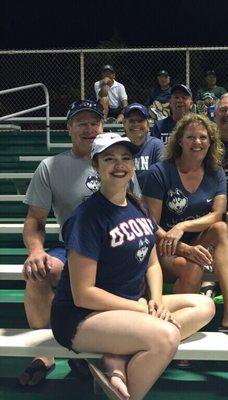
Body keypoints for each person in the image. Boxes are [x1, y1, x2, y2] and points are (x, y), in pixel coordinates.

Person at [50, 133, 215, 400]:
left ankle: (116, 356)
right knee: (166, 337)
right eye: (110, 159)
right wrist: (140, 308)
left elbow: (151, 263)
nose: (120, 165)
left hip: (130, 306)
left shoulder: (138, 206)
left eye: (126, 158)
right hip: (81, 316)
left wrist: (158, 301)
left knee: (205, 305)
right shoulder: (86, 217)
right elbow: (84, 294)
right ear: (96, 165)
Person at [142, 114, 228, 341]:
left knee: (222, 228)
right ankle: (178, 328)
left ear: (211, 142)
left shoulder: (215, 172)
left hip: (197, 243)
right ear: (179, 140)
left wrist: (183, 225)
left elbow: (217, 214)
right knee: (192, 266)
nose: (197, 142)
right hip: (166, 247)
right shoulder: (160, 172)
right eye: (190, 137)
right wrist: (183, 248)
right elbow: (150, 225)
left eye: (202, 137)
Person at [19, 100, 106, 386]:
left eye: (94, 122)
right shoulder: (51, 166)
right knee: (38, 271)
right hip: (70, 247)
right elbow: (35, 219)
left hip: (111, 250)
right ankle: (45, 353)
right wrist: (35, 251)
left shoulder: (116, 161)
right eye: (81, 123)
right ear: (69, 128)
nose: (89, 129)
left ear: (102, 127)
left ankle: (84, 351)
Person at [122, 103, 164, 188]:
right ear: (124, 124)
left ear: (148, 125)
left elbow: (161, 179)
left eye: (140, 120)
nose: (136, 124)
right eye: (131, 121)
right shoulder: (117, 145)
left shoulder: (156, 145)